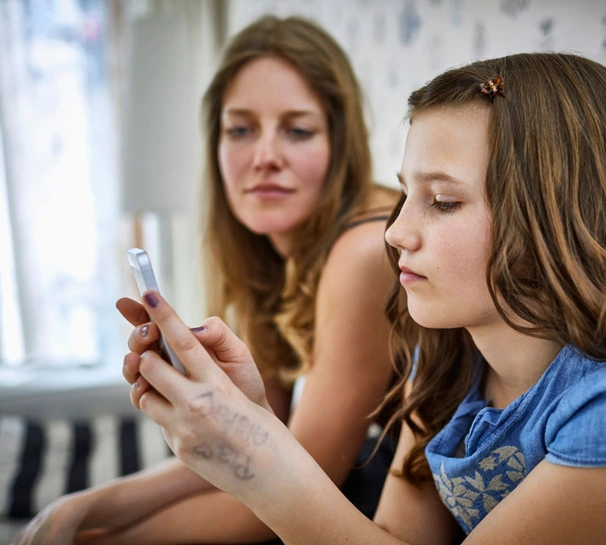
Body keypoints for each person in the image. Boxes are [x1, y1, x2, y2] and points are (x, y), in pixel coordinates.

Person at [101, 51, 606, 544]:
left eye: (444, 201)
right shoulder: (450, 352)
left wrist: (257, 458)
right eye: (406, 194)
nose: (396, 233)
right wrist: (256, 421)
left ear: (561, 215)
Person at [13, 15, 399, 545]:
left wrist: (92, 539)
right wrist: (82, 506)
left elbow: (290, 481)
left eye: (298, 130)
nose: (265, 157)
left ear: (340, 143)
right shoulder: (275, 254)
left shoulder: (364, 251)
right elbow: (246, 440)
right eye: (240, 129)